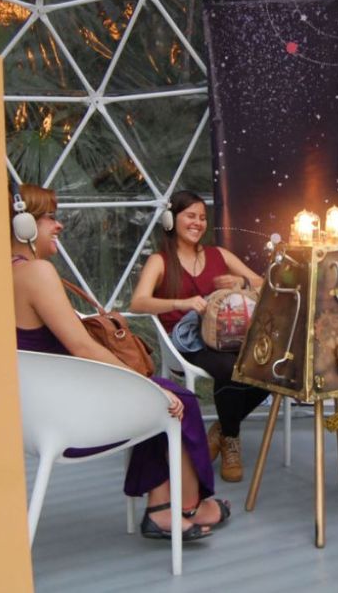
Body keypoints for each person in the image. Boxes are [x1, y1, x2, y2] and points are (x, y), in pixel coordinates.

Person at [10, 184, 230, 542]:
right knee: (176, 402)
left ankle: (161, 507)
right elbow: (81, 346)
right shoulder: (37, 273)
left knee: (160, 395)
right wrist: (140, 384)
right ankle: (189, 505)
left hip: (37, 414)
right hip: (68, 419)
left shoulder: (4, 273)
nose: (58, 225)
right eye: (50, 217)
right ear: (24, 225)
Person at [130, 190, 267, 483]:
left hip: (226, 335)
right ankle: (232, 441)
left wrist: (241, 281)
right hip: (185, 341)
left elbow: (262, 283)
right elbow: (138, 302)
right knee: (230, 369)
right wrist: (182, 303)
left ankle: (221, 430)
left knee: (271, 366)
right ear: (171, 220)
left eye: (202, 217)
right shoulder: (160, 260)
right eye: (190, 216)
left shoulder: (219, 255)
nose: (198, 223)